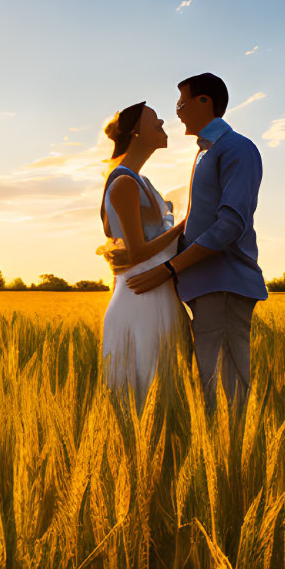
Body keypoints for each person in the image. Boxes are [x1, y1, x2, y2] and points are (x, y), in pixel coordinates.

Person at [127, 72, 265, 412]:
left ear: (204, 102)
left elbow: (230, 224)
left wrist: (168, 269)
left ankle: (231, 461)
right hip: (206, 285)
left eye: (181, 103)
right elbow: (200, 221)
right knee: (212, 388)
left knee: (224, 393)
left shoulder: (236, 148)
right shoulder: (207, 151)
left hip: (224, 281)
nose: (176, 111)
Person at [97, 102, 187, 395]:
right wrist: (184, 225)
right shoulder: (123, 182)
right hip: (140, 299)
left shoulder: (143, 181)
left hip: (160, 291)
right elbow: (136, 252)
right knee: (145, 389)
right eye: (154, 119)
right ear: (136, 132)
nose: (162, 121)